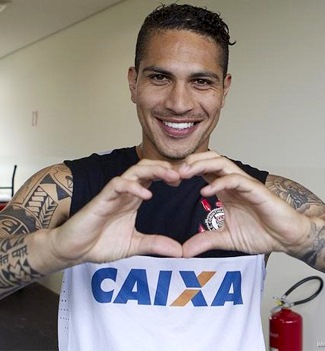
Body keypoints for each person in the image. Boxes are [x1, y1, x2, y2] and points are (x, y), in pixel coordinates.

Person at [0, 3, 324, 350]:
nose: (179, 103)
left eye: (201, 81)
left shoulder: (263, 196)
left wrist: (304, 239)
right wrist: (56, 248)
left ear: (224, 90)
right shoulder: (66, 186)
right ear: (133, 82)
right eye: (159, 77)